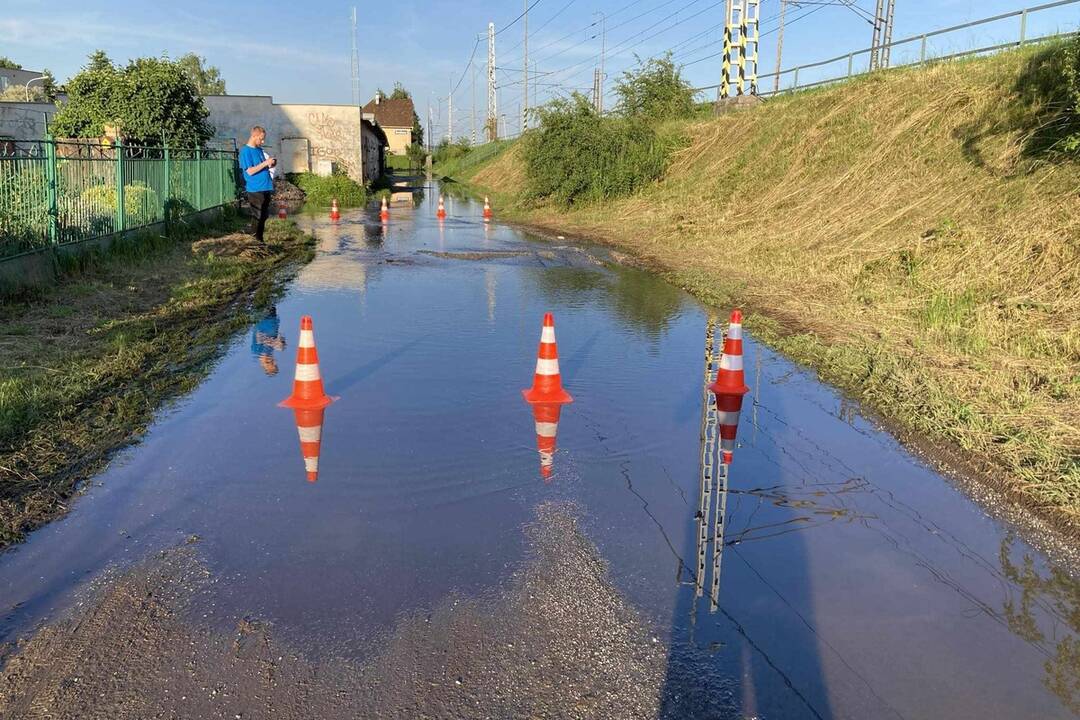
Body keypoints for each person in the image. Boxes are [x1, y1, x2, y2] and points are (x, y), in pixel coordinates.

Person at [238, 126, 276, 243]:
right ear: (254, 136)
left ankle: (260, 240)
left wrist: (271, 164)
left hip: (266, 186)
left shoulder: (259, 150)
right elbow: (250, 171)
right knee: (257, 216)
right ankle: (254, 241)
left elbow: (262, 166)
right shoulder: (245, 151)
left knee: (264, 216)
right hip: (255, 189)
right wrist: (265, 163)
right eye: (261, 138)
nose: (263, 141)